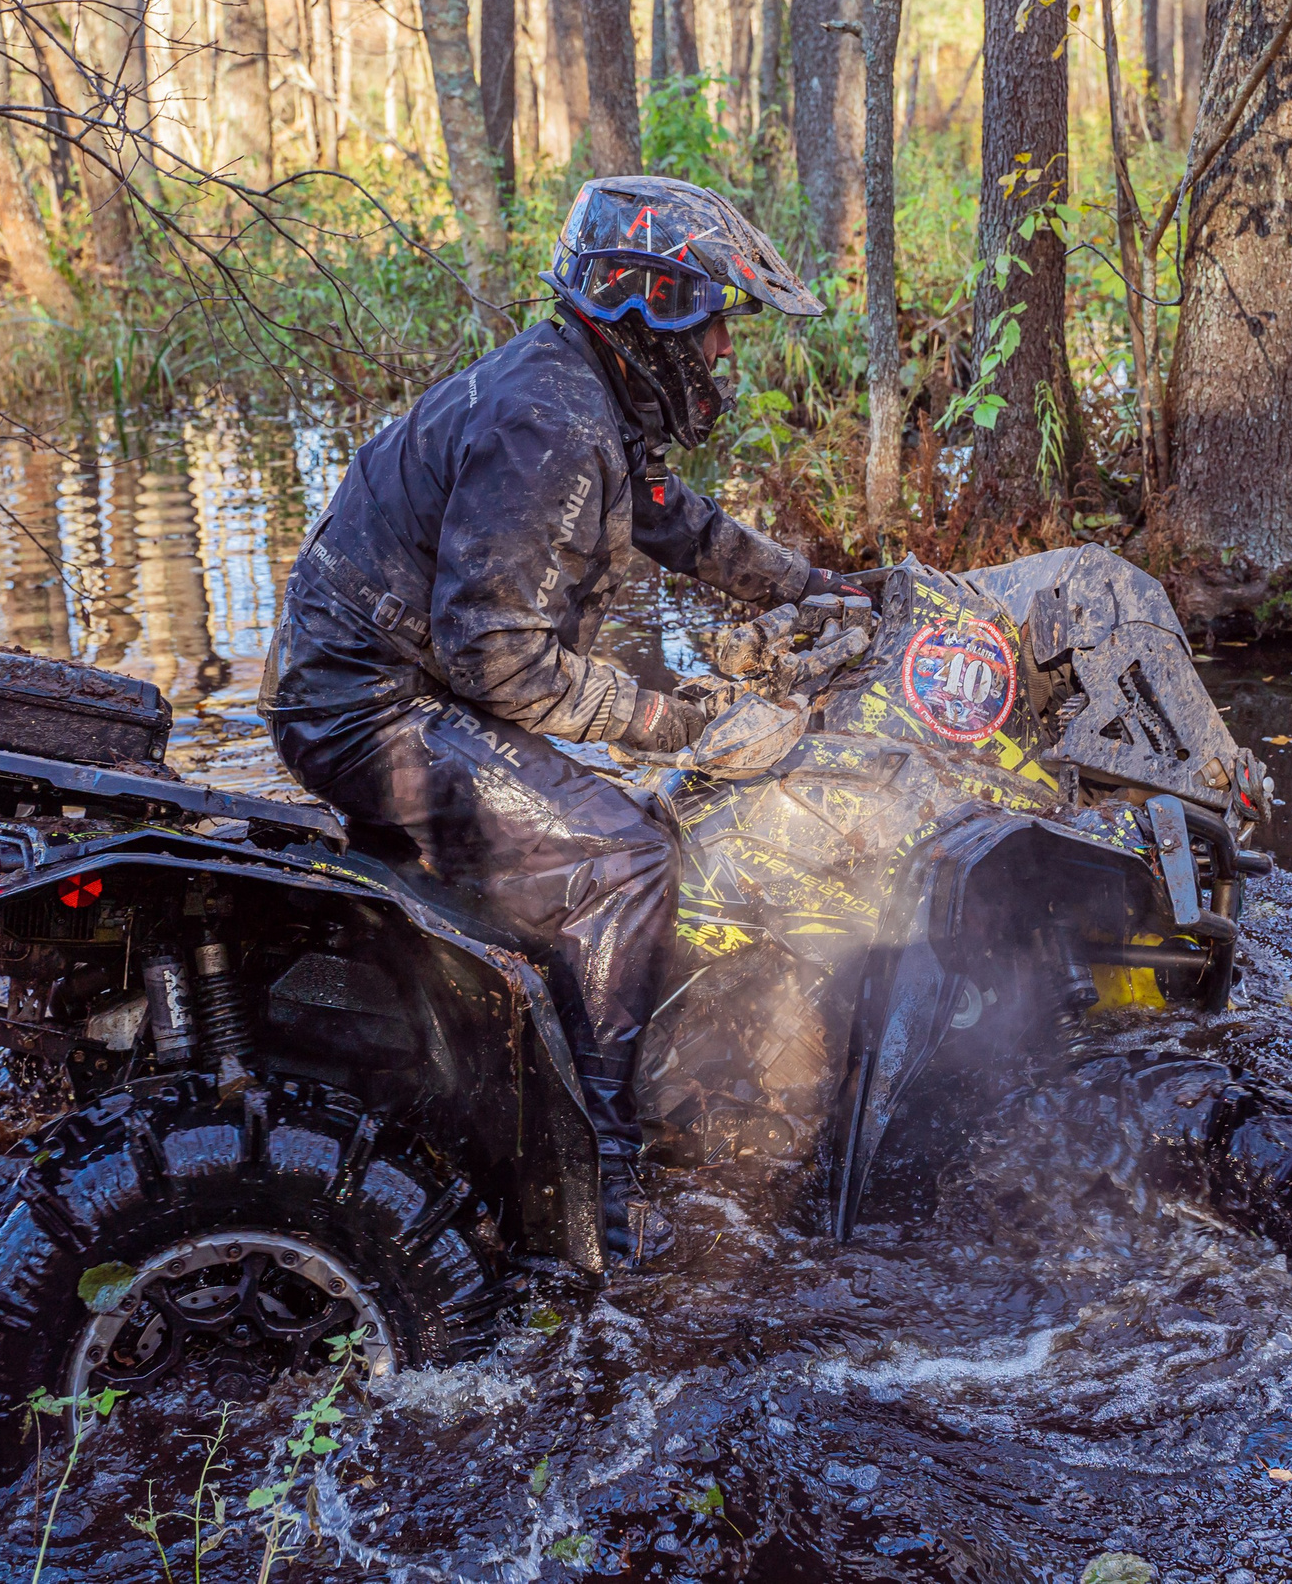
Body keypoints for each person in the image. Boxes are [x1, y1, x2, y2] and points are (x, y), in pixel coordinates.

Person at [265, 176, 859, 1263]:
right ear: (658, 312)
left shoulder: (587, 393)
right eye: (720, 323)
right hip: (367, 703)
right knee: (627, 856)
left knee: (577, 832)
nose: (727, 352)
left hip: (397, 682)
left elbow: (674, 520)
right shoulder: (552, 422)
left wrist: (814, 586)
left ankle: (470, 1078)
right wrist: (677, 722)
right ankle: (591, 1180)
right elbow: (498, 655)